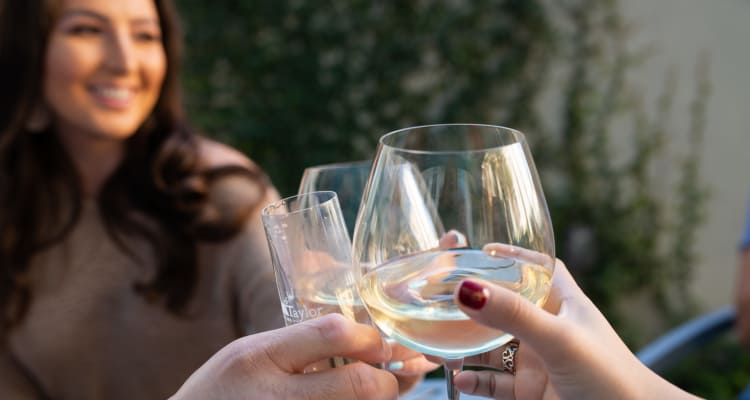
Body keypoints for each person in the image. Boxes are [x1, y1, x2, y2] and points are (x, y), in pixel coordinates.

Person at [0, 0, 432, 398]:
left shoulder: (218, 190)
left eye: (145, 36)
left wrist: (370, 331)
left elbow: (299, 324)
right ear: (28, 50)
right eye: (87, 31)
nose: (125, 61)